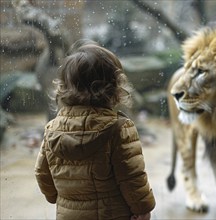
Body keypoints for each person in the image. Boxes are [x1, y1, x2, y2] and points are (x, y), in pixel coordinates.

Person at [34, 40, 156, 220]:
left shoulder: (52, 130)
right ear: (114, 87)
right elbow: (132, 178)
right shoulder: (119, 129)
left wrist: (56, 197)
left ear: (64, 87)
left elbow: (42, 174)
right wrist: (143, 209)